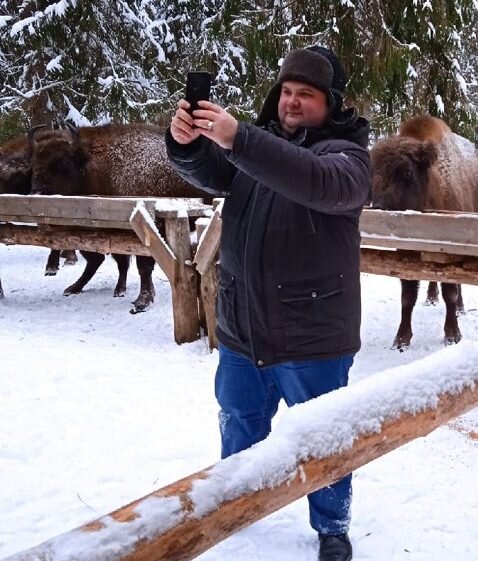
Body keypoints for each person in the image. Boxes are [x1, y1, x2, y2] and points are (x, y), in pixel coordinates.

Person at [165, 46, 370, 561]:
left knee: (324, 440)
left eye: (306, 95)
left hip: (313, 337)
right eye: (286, 91)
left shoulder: (348, 158)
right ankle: (235, 505)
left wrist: (240, 138)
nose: (292, 103)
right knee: (239, 422)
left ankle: (332, 526)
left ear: (331, 104)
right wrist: (186, 143)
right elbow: (211, 168)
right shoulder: (258, 149)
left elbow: (313, 180)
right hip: (242, 329)